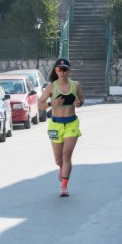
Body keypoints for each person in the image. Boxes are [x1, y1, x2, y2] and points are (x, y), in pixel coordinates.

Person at [39, 59, 82, 196]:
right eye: (59, 69)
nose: (62, 72)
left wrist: (78, 103)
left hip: (71, 123)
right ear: (56, 71)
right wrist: (52, 103)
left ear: (68, 71)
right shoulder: (51, 87)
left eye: (64, 69)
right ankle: (62, 167)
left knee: (66, 154)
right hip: (55, 124)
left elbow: (81, 100)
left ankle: (64, 186)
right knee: (58, 160)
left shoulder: (75, 85)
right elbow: (39, 104)